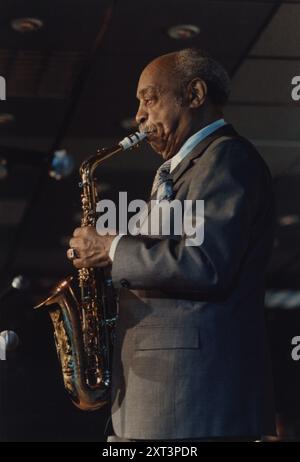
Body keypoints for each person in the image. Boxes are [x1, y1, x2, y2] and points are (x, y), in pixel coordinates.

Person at [67, 48, 276, 441]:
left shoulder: (227, 157)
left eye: (149, 98)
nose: (140, 115)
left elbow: (206, 263)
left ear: (195, 95)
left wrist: (112, 250)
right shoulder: (179, 169)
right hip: (160, 397)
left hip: (190, 400)